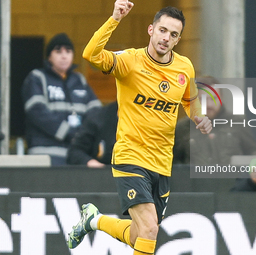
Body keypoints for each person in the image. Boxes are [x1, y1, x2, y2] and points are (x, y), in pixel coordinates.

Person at [67, 1, 212, 255]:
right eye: (163, 31)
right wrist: (114, 19)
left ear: (178, 39)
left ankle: (93, 220)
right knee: (149, 230)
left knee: (139, 235)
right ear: (151, 30)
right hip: (130, 157)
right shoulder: (129, 61)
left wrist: (199, 117)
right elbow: (91, 54)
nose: (166, 38)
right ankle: (94, 220)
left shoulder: (184, 67)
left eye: (173, 34)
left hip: (162, 164)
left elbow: (190, 101)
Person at [22, 33, 102, 165]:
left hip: (76, 155)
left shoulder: (80, 80)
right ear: (49, 56)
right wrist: (70, 133)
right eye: (58, 51)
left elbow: (97, 113)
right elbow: (37, 112)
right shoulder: (37, 78)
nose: (64, 56)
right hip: (45, 154)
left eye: (68, 51)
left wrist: (85, 136)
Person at [174, 76, 256, 165]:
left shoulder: (237, 122)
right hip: (193, 178)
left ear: (221, 97)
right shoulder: (182, 127)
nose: (209, 104)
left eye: (213, 98)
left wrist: (253, 169)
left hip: (231, 178)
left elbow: (254, 152)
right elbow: (172, 162)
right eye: (202, 99)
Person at [66, 101, 118, 167]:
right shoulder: (99, 117)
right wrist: (91, 163)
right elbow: (74, 152)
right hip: (102, 174)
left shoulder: (134, 121)